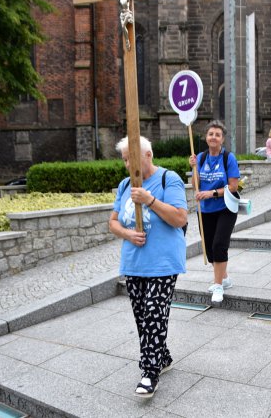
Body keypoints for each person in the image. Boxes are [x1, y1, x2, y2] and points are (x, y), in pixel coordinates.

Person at [110, 135, 188, 398]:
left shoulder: (169, 179)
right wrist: (127, 234)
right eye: (124, 160)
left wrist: (149, 200)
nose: (127, 164)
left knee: (154, 312)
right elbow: (113, 222)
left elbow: (180, 218)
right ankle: (162, 356)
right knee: (142, 317)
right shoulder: (124, 186)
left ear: (148, 155)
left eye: (131, 158)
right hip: (134, 262)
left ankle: (149, 372)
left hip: (163, 262)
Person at [189, 120, 240, 304]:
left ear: (222, 139)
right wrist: (194, 167)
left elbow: (233, 186)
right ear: (206, 137)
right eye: (211, 134)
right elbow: (195, 185)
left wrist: (211, 193)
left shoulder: (228, 158)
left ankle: (217, 285)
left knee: (219, 245)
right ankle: (224, 278)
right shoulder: (201, 158)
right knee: (210, 249)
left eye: (217, 135)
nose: (213, 137)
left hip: (225, 207)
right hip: (205, 210)